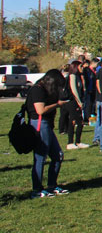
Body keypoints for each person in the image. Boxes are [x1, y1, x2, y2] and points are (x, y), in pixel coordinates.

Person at [25, 69, 70, 198]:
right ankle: (37, 189)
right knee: (41, 157)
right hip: (39, 124)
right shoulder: (38, 90)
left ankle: (52, 185)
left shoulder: (46, 89)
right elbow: (40, 110)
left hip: (47, 125)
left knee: (58, 155)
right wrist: (57, 104)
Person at [63, 60, 87, 150]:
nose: (82, 68)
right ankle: (70, 142)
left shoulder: (78, 76)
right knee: (73, 121)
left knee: (80, 122)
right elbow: (74, 90)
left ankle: (78, 141)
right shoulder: (72, 76)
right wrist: (79, 102)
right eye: (81, 66)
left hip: (78, 101)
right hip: (73, 102)